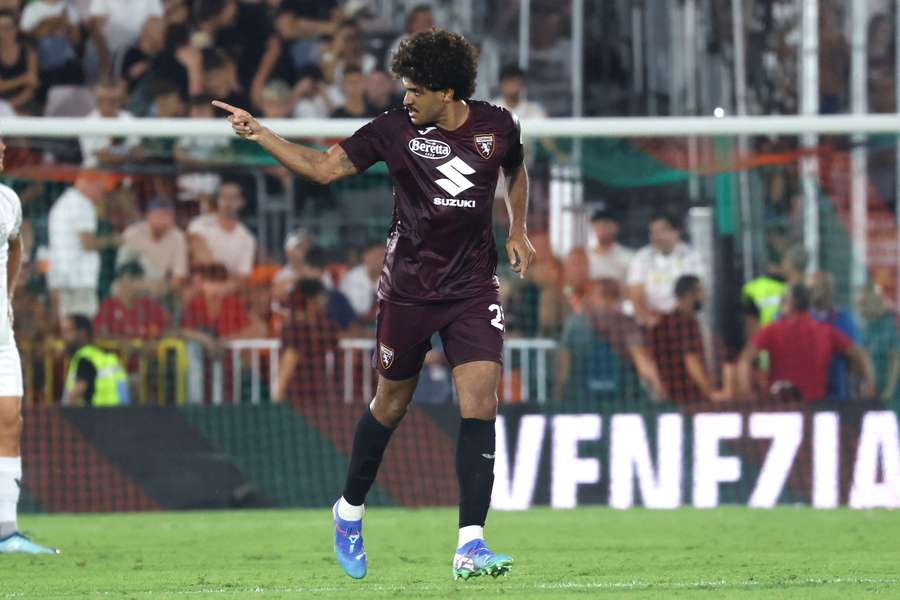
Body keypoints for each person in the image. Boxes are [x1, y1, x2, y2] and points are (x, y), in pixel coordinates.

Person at [214, 28, 534, 581]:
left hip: (473, 289)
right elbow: (322, 169)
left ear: (447, 92)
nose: (405, 99)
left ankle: (470, 544)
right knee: (389, 406)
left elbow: (516, 168)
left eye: (415, 90)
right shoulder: (392, 130)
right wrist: (261, 133)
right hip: (407, 292)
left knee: (481, 402)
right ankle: (349, 511)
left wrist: (519, 230)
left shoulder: (497, 125)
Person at [0, 137, 57, 554]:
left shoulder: (8, 200)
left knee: (10, 421)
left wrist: (9, 293)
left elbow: (15, 245)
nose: (2, 146)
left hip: (1, 332)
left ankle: (6, 532)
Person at [738, 284, 875, 402]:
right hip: (817, 408)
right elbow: (860, 355)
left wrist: (748, 392)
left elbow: (745, 360)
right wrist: (869, 386)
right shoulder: (825, 332)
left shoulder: (772, 330)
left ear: (789, 303)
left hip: (781, 408)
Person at [47, 172, 120, 318]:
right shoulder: (83, 204)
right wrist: (116, 240)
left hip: (62, 277)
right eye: (101, 187)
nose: (102, 192)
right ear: (88, 183)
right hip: (80, 279)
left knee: (67, 327)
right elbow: (88, 243)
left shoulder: (63, 202)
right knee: (83, 328)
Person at [650, 275, 727, 404]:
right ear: (689, 295)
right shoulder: (683, 323)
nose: (704, 297)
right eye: (700, 291)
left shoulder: (670, 321)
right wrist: (711, 393)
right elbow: (691, 362)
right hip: (687, 398)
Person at [627, 208, 703, 327]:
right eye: (653, 232)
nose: (657, 237)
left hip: (684, 320)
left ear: (676, 231)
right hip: (651, 323)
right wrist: (648, 318)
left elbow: (697, 291)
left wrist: (675, 316)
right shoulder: (641, 258)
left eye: (662, 231)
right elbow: (635, 293)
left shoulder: (692, 256)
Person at [187, 180, 256, 279]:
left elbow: (243, 275)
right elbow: (199, 254)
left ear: (242, 202)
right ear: (217, 200)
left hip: (227, 287)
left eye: (233, 197)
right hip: (199, 283)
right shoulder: (200, 223)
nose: (227, 202)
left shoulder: (247, 238)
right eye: (223, 197)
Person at [59, 313, 129, 406]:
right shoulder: (107, 358)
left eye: (68, 331)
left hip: (98, 415)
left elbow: (77, 391)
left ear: (82, 333)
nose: (63, 337)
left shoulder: (84, 358)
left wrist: (64, 413)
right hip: (120, 414)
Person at [339, 239, 385, 322]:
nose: (378, 260)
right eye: (374, 255)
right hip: (355, 326)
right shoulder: (351, 278)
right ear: (365, 255)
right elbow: (343, 309)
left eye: (382, 255)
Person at [586, 206, 633, 285]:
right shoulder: (585, 257)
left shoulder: (628, 257)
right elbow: (568, 287)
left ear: (615, 227)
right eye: (597, 225)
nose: (601, 229)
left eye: (605, 225)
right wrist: (569, 293)